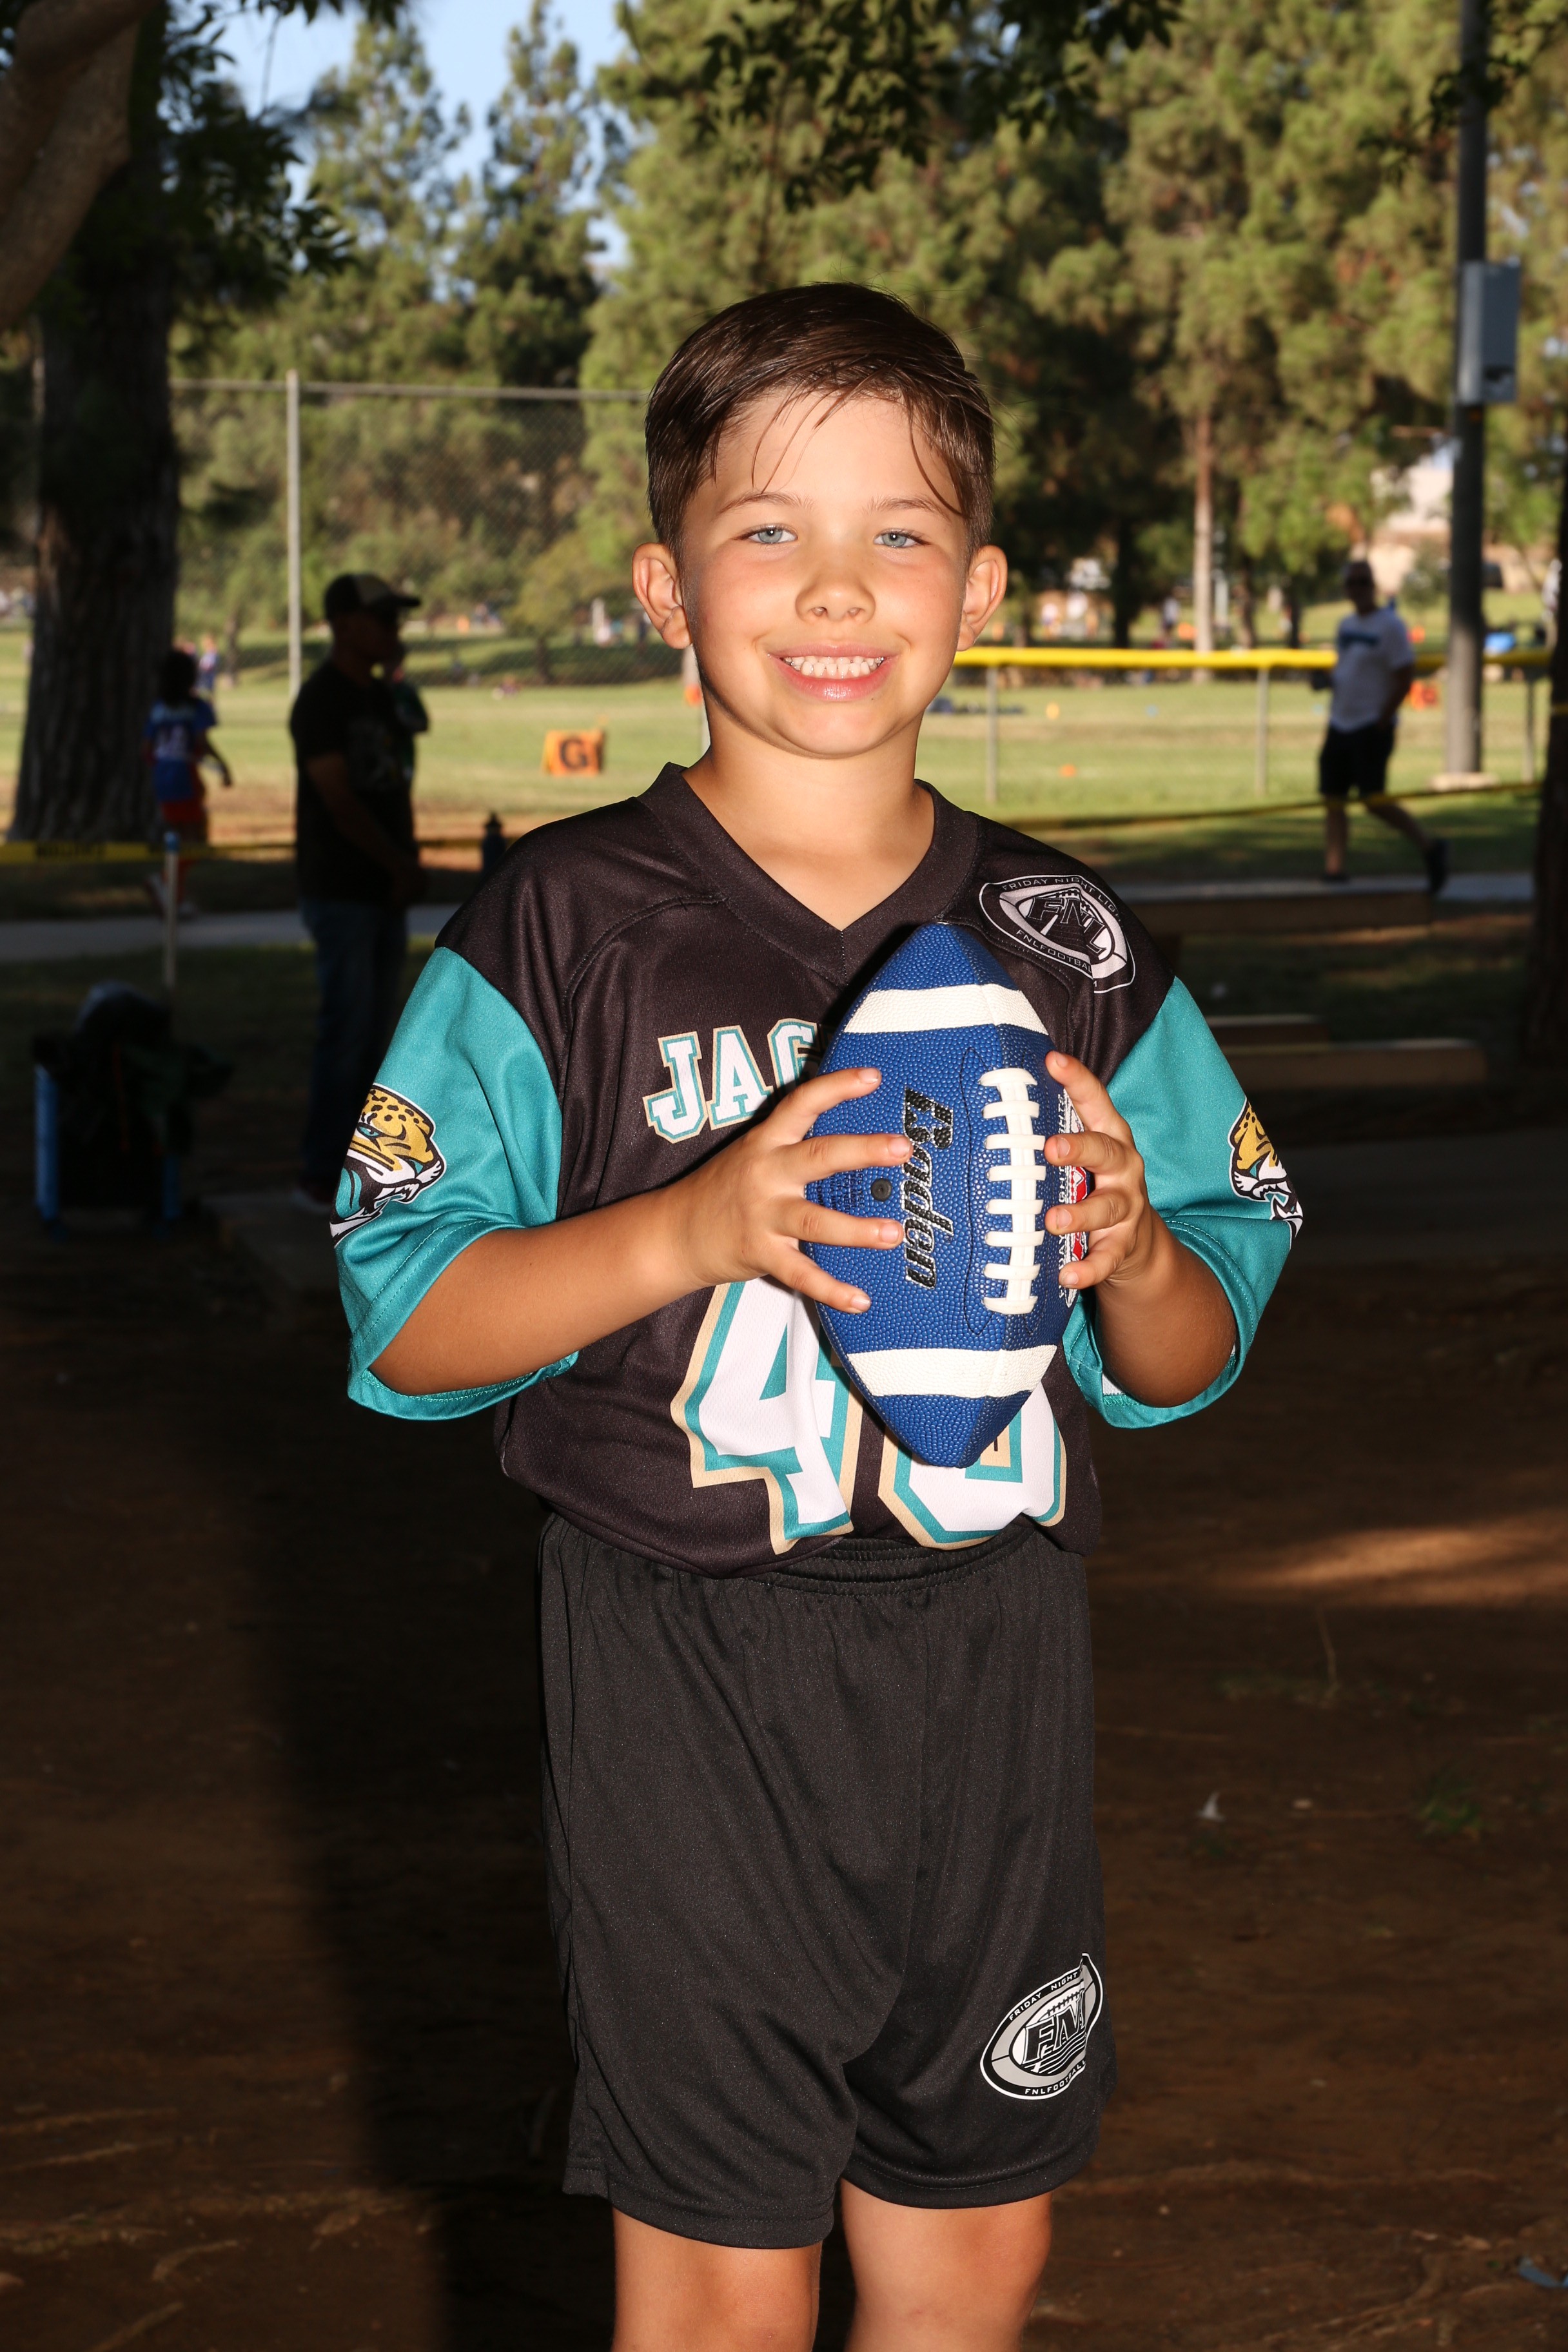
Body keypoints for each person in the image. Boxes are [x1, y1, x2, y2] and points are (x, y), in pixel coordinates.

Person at [333, 286, 1297, 2351]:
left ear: (981, 589)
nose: (838, 587)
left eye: (900, 533)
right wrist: (692, 1227)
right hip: (686, 1664)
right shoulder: (559, 927)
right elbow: (405, 1325)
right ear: (665, 588)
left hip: (993, 1657)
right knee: (715, 2276)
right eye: (769, 531)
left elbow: (1192, 1349)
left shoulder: (1073, 943)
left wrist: (1138, 1251)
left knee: (977, 2246)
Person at [289, 572, 426, 1214]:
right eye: (383, 619)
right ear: (344, 625)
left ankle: (361, 1172)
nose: (394, 631)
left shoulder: (380, 697)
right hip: (343, 886)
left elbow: (406, 751)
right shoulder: (321, 701)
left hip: (382, 887)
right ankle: (321, 1172)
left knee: (375, 1038)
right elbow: (339, 801)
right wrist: (396, 863)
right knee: (346, 1034)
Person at [1319, 558, 1447, 890]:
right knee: (1333, 797)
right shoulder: (1346, 625)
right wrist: (1325, 681)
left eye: (1363, 582)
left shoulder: (1390, 626)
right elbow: (1345, 669)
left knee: (1373, 800)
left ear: (1373, 586)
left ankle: (1430, 848)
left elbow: (1405, 676)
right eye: (1352, 583)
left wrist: (1383, 719)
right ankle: (1335, 869)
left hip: (1370, 725)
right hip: (1340, 722)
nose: (1358, 589)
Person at [143, 647, 231, 911]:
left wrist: (161, 766)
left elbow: (146, 750)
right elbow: (202, 743)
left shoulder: (158, 709)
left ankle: (174, 898)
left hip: (163, 777)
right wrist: (223, 766)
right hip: (185, 776)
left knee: (178, 838)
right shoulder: (197, 707)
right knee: (196, 841)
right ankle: (163, 880)